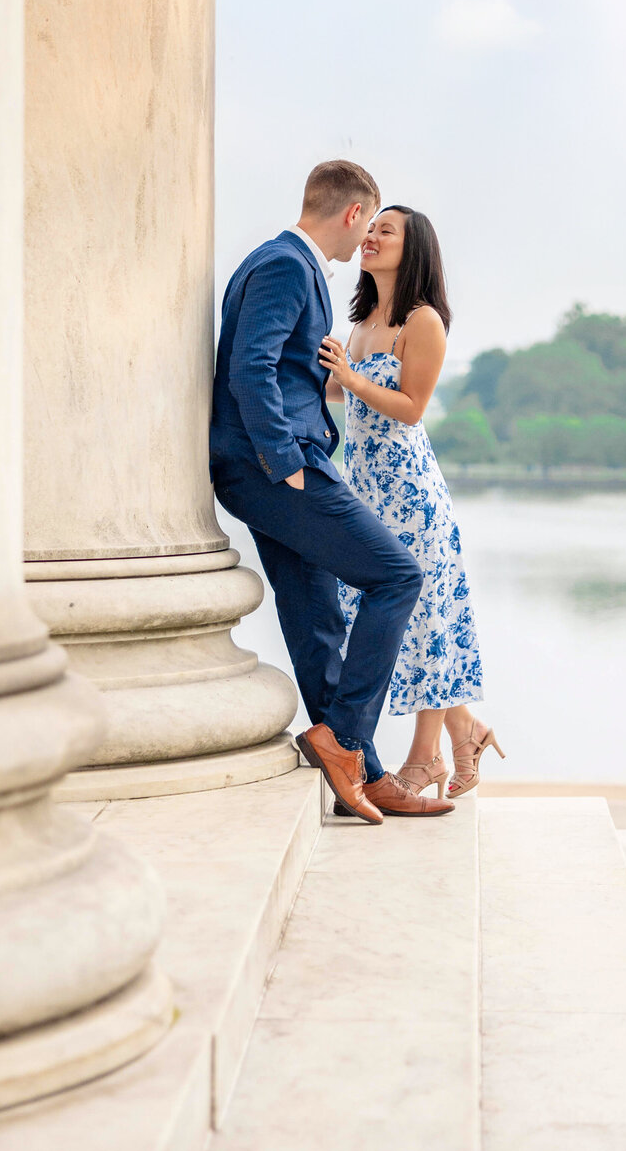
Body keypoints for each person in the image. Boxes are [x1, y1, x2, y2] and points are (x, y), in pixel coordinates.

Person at [210, 160, 454, 824]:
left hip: (267, 469)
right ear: (352, 215)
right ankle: (345, 741)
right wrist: (287, 460)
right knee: (397, 577)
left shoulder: (281, 262)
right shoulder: (290, 264)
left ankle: (366, 777)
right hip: (279, 470)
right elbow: (250, 366)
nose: (364, 241)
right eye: (367, 224)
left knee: (318, 619)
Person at [319, 205, 503, 802]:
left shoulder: (421, 321)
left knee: (422, 620)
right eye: (369, 228)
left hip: (413, 494)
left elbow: (411, 407)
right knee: (407, 619)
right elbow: (338, 387)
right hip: (367, 490)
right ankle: (464, 728)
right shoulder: (361, 321)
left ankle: (426, 759)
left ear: (413, 247)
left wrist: (350, 380)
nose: (369, 237)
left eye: (384, 231)